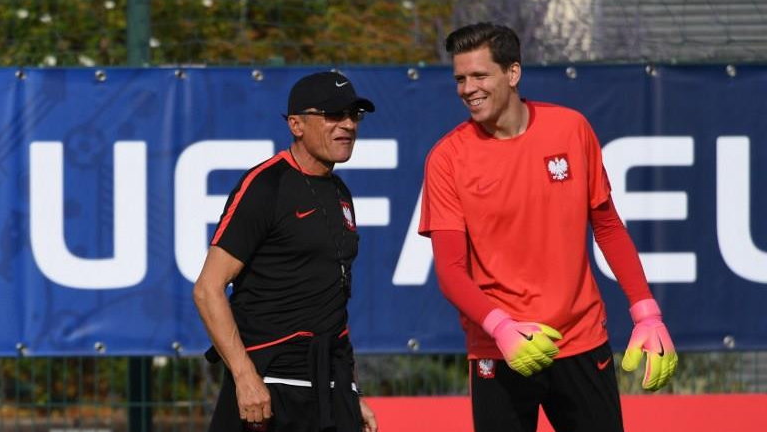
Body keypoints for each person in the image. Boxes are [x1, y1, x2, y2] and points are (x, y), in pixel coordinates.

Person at [418, 22, 678, 432]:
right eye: (460, 78)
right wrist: (500, 327)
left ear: (513, 73)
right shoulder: (447, 158)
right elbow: (451, 271)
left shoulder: (571, 129)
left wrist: (647, 313)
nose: (468, 88)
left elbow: (608, 227)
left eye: (480, 75)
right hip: (499, 350)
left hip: (581, 340)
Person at [193, 71, 378, 432]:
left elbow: (332, 302)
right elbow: (207, 289)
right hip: (270, 387)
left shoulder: (340, 192)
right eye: (333, 115)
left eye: (354, 115)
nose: (347, 125)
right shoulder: (265, 186)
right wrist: (245, 378)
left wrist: (352, 392)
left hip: (331, 386)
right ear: (296, 124)